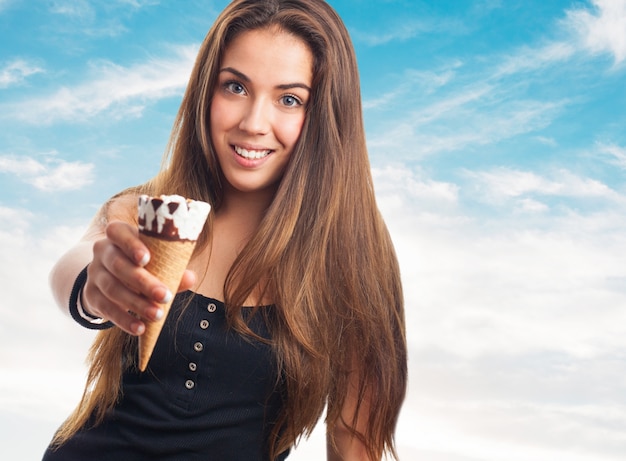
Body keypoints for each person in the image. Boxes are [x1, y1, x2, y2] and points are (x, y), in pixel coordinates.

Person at [42, 0, 407, 459]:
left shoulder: (355, 258)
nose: (253, 124)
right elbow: (77, 261)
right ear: (204, 93)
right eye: (234, 87)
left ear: (327, 116)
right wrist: (93, 285)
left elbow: (357, 449)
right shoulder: (154, 211)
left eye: (289, 99)